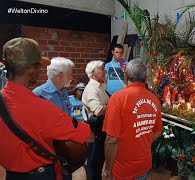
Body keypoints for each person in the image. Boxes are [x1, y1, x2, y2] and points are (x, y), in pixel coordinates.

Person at [0, 37, 94, 180]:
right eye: (38, 66)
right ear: (31, 70)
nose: (40, 71)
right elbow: (89, 136)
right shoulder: (42, 108)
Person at [102, 58, 163, 180]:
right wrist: (141, 142)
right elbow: (158, 131)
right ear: (146, 78)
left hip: (121, 171)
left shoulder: (117, 99)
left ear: (125, 76)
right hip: (144, 166)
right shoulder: (154, 100)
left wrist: (107, 171)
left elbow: (111, 140)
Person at [82, 60, 109, 180]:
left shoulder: (100, 86)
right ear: (93, 73)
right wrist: (115, 105)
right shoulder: (92, 88)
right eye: (102, 69)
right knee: (94, 161)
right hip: (95, 128)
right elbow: (98, 110)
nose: (105, 71)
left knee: (98, 160)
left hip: (101, 128)